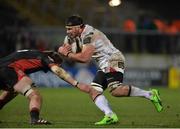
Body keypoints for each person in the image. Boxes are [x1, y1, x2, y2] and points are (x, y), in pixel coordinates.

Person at [58, 15, 163, 125]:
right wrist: (61, 53)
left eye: (70, 29)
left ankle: (150, 95)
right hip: (104, 64)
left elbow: (85, 58)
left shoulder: (89, 35)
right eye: (66, 28)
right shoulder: (74, 37)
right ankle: (110, 115)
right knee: (93, 91)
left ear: (78, 27)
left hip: (113, 59)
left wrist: (68, 54)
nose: (67, 31)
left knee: (116, 91)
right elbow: (70, 54)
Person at [0, 49, 99, 125]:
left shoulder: (32, 53)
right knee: (35, 96)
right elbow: (58, 71)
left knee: (14, 90)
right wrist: (75, 83)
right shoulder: (46, 58)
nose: (57, 64)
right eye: (57, 63)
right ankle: (35, 119)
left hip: (4, 67)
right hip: (9, 70)